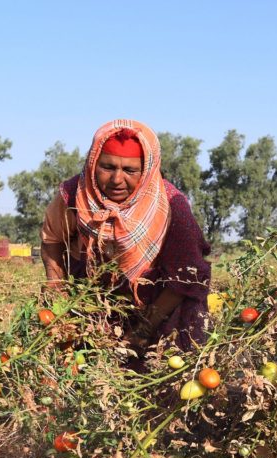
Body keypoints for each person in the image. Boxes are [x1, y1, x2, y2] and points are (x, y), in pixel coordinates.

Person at [40, 119, 211, 352]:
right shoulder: (74, 195)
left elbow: (185, 277)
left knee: (158, 369)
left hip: (160, 308)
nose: (117, 180)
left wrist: (142, 331)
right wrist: (56, 291)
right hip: (94, 304)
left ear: (147, 170)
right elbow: (52, 241)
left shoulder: (171, 207)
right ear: (93, 163)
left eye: (130, 170)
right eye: (107, 167)